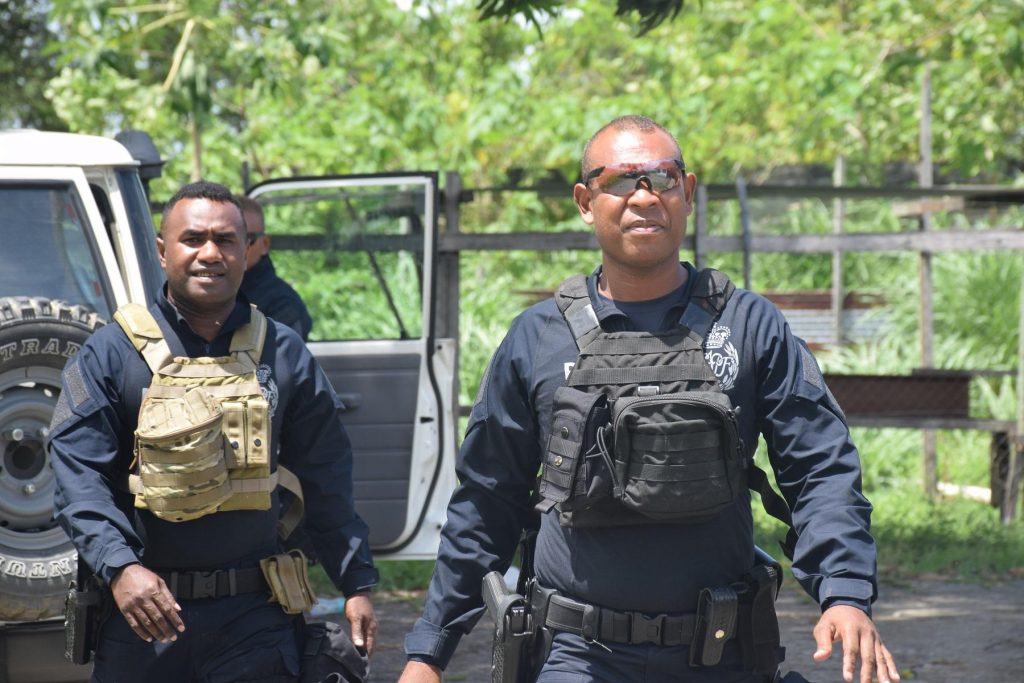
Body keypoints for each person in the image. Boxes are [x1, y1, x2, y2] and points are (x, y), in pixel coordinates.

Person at [399, 116, 899, 683]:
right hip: (576, 656)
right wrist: (428, 652)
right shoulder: (537, 337)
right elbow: (487, 499)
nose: (644, 197)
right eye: (621, 181)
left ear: (686, 194)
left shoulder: (749, 326)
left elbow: (820, 470)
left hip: (721, 653)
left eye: (662, 179)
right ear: (586, 202)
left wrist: (845, 593)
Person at [49, 181, 378, 682]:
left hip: (256, 618)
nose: (210, 253)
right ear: (162, 251)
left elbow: (325, 475)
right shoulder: (112, 353)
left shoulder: (283, 352)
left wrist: (356, 583)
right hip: (145, 616)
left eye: (226, 240)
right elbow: (77, 477)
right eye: (193, 239)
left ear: (246, 252)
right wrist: (120, 568)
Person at [238, 195, 314, 341]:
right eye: (224, 239)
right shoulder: (213, 291)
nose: (238, 247)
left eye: (247, 238)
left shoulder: (282, 303)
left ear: (265, 244)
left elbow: (282, 361)